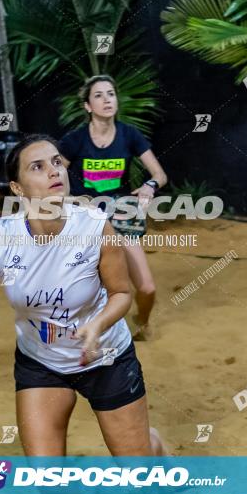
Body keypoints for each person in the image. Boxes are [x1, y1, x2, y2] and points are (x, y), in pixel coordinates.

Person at [0, 134, 167, 494]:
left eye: (57, 162)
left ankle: (152, 448)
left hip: (106, 357)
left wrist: (96, 326)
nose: (53, 171)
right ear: (17, 187)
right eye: (38, 166)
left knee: (138, 473)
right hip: (41, 364)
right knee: (47, 479)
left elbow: (122, 294)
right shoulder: (1, 237)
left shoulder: (96, 227)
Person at [58, 75, 168, 340]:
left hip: (120, 218)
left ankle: (141, 322)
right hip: (85, 220)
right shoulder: (75, 140)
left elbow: (160, 174)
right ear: (87, 105)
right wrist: (67, 198)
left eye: (111, 93)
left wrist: (149, 186)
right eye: (98, 95)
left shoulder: (130, 134)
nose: (107, 99)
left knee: (147, 288)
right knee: (84, 290)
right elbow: (55, 173)